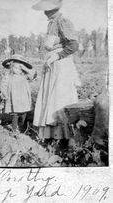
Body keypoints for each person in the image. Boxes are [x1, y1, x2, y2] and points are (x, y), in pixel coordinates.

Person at [32, 0, 81, 143]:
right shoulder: (51, 23)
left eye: (47, 9)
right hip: (53, 65)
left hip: (61, 65)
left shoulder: (63, 21)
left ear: (53, 9)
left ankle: (64, 137)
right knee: (50, 97)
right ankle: (50, 135)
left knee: (60, 97)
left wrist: (57, 55)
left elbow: (74, 45)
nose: (44, 12)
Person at [0, 54, 37, 133]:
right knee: (15, 114)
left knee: (24, 113)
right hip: (14, 99)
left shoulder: (24, 76)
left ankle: (22, 127)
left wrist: (25, 68)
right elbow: (3, 85)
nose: (18, 70)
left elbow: (33, 75)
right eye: (15, 68)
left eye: (20, 68)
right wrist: (4, 94)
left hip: (24, 99)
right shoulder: (9, 76)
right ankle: (14, 130)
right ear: (11, 67)